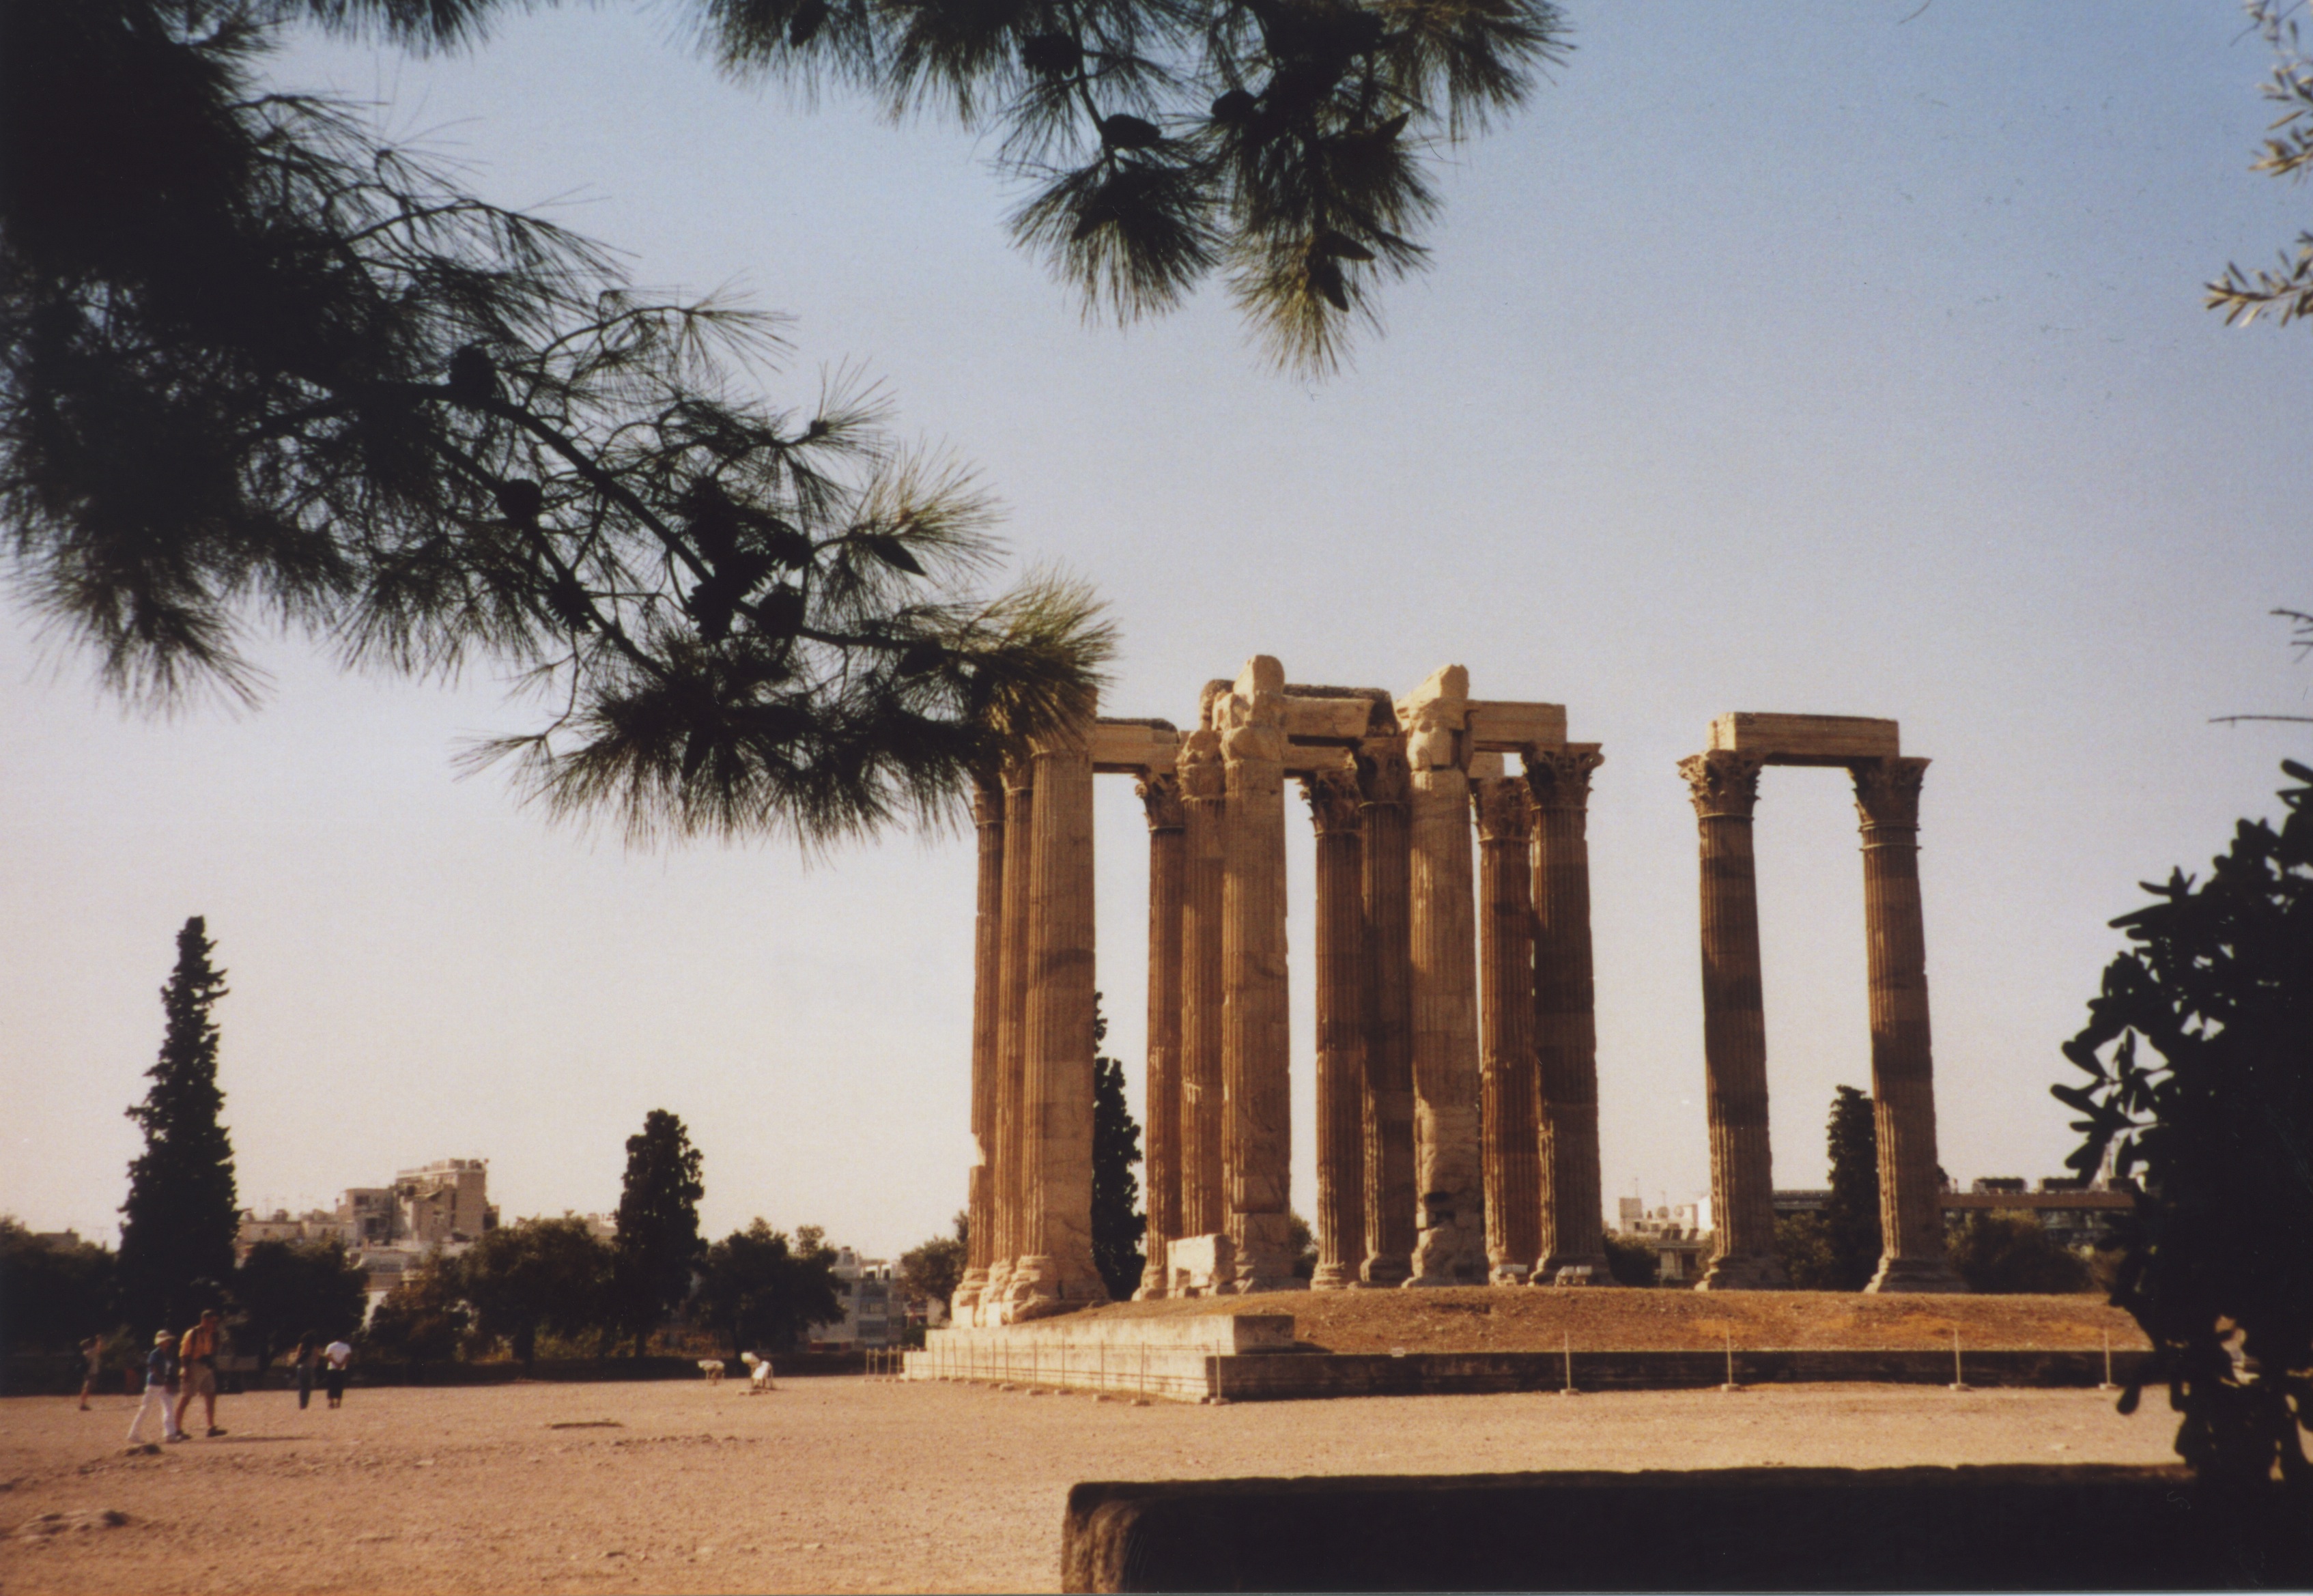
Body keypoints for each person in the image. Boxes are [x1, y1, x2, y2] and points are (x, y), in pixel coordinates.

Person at [174, 1308, 226, 1438]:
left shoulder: (213, 1334)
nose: (214, 1325)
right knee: (186, 1397)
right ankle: (176, 1429)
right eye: (212, 1322)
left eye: (215, 1322)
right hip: (193, 1365)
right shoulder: (193, 1333)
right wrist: (185, 1368)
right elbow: (184, 1353)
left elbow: (211, 1350)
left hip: (206, 1366)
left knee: (210, 1395)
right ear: (204, 1321)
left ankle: (211, 1427)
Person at [126, 1330, 184, 1447]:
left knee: (168, 1407)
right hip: (154, 1384)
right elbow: (154, 1370)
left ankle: (170, 1434)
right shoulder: (155, 1354)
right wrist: (165, 1382)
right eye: (167, 1340)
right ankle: (133, 1434)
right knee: (146, 1409)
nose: (169, 1342)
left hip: (162, 1384)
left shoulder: (167, 1353)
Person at [322, 1337, 353, 1408]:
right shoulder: (346, 1346)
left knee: (331, 1385)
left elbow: (328, 1356)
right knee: (340, 1386)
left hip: (332, 1368)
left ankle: (331, 1402)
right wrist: (342, 1364)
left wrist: (335, 1363)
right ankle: (338, 1402)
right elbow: (347, 1356)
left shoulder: (331, 1346)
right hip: (342, 1368)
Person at [77, 1335, 106, 1410]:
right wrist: (99, 1340)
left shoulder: (86, 1352)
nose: (90, 1343)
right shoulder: (90, 1352)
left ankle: (83, 1403)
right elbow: (99, 1349)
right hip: (92, 1372)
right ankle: (82, 1404)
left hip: (89, 1372)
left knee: (86, 1388)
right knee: (87, 1388)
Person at [293, 1335, 317, 1410]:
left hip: (302, 1367)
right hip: (310, 1367)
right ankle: (306, 1403)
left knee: (302, 1386)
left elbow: (298, 1356)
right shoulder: (315, 1347)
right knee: (308, 1387)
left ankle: (302, 1403)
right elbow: (316, 1357)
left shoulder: (301, 1345)